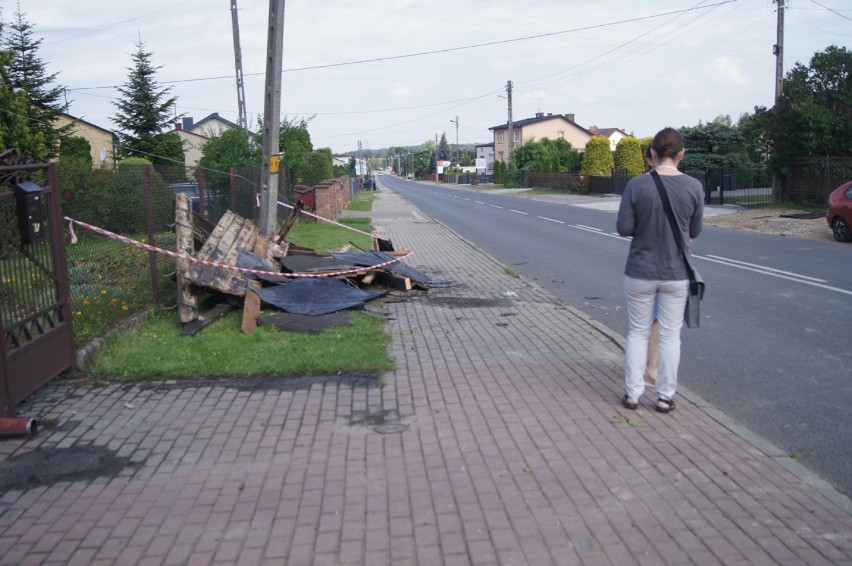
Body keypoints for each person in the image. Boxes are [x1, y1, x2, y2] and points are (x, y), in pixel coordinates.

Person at [616, 128, 703, 413]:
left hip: (640, 271)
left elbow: (624, 228)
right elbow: (694, 231)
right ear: (681, 154)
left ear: (652, 154)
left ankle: (633, 395)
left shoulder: (636, 185)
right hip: (676, 273)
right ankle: (665, 397)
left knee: (638, 332)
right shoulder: (693, 187)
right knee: (669, 336)